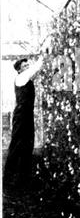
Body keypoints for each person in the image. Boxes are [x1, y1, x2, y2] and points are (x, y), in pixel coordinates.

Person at [4, 54, 45, 190]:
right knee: (17, 145)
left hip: (25, 115)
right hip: (21, 116)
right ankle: (9, 178)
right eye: (25, 66)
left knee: (27, 145)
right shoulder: (22, 77)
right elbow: (37, 67)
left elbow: (36, 71)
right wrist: (44, 54)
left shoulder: (25, 78)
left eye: (28, 65)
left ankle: (23, 178)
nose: (28, 67)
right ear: (20, 70)